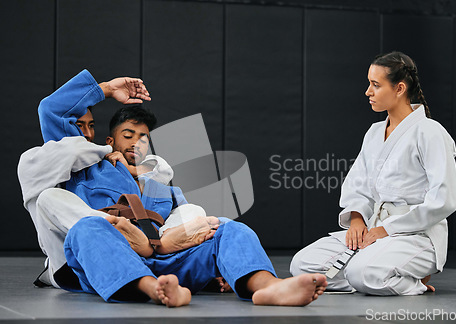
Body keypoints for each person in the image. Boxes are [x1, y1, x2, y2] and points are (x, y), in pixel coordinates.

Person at [60, 105, 327, 306]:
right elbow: (52, 117)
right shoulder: (87, 173)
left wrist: (219, 266)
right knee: (87, 228)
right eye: (128, 135)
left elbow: (191, 227)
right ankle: (155, 290)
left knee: (227, 227)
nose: (135, 142)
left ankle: (269, 287)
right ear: (110, 142)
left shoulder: (164, 189)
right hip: (115, 259)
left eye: (143, 138)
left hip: (168, 258)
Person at [290, 51, 456, 296]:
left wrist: (387, 230)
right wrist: (357, 219)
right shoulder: (374, 133)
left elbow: (444, 199)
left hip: (417, 236)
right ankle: (377, 274)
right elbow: (357, 184)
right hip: (373, 230)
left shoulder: (430, 132)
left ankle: (412, 280)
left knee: (364, 272)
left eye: (375, 85)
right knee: (302, 266)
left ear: (399, 88)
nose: (367, 92)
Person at [18, 70, 172, 290]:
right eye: (79, 125)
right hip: (72, 261)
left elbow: (162, 170)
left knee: (195, 213)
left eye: (91, 126)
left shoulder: (108, 166)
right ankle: (116, 232)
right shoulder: (53, 156)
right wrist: (106, 89)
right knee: (49, 198)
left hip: (132, 251)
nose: (88, 133)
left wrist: (131, 167)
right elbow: (51, 112)